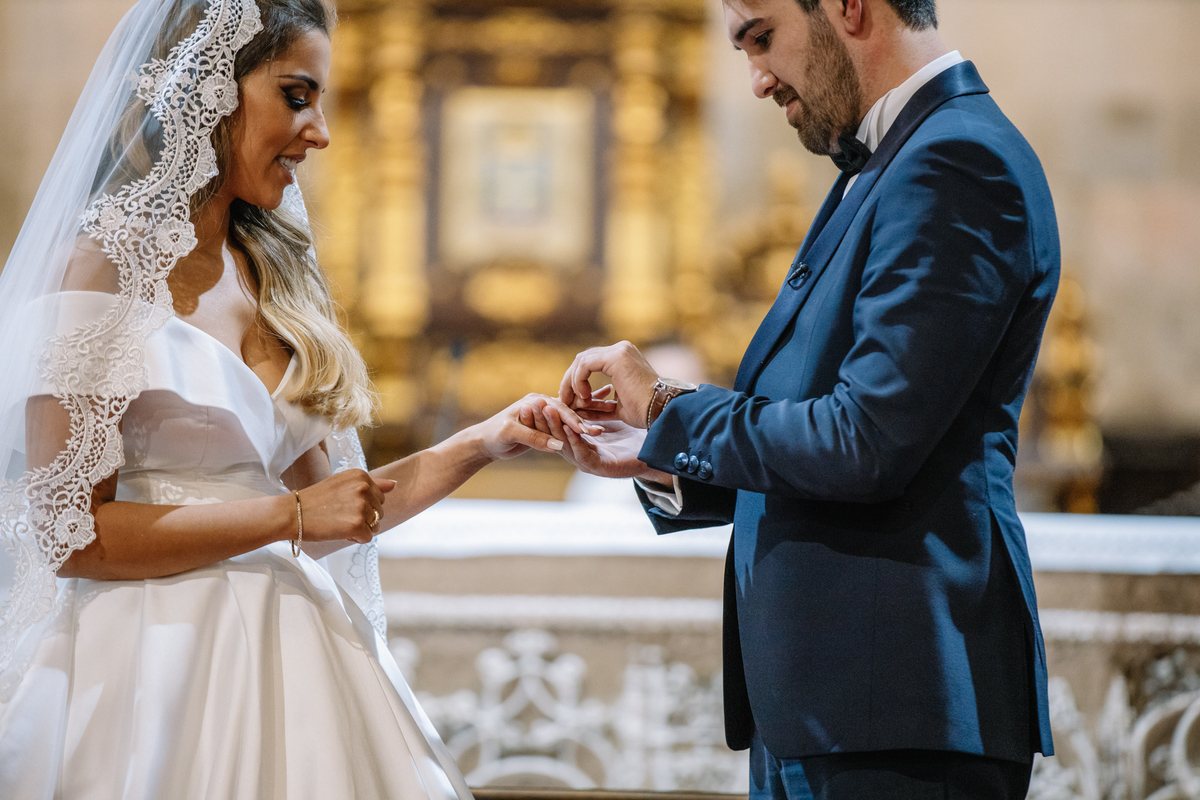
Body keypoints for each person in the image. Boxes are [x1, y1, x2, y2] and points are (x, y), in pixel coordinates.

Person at [0, 1, 591, 796]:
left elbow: (338, 507)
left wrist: (483, 441)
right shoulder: (103, 268)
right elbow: (74, 533)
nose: (319, 132)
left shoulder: (266, 272)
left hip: (292, 647)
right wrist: (289, 519)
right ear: (210, 90)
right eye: (296, 95)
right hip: (153, 658)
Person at [526, 0, 1059, 796]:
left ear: (849, 8)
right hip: (839, 707)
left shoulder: (955, 161)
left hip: (899, 706)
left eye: (763, 37)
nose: (756, 79)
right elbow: (834, 422)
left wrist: (671, 406)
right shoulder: (891, 162)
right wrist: (667, 456)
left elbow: (867, 441)